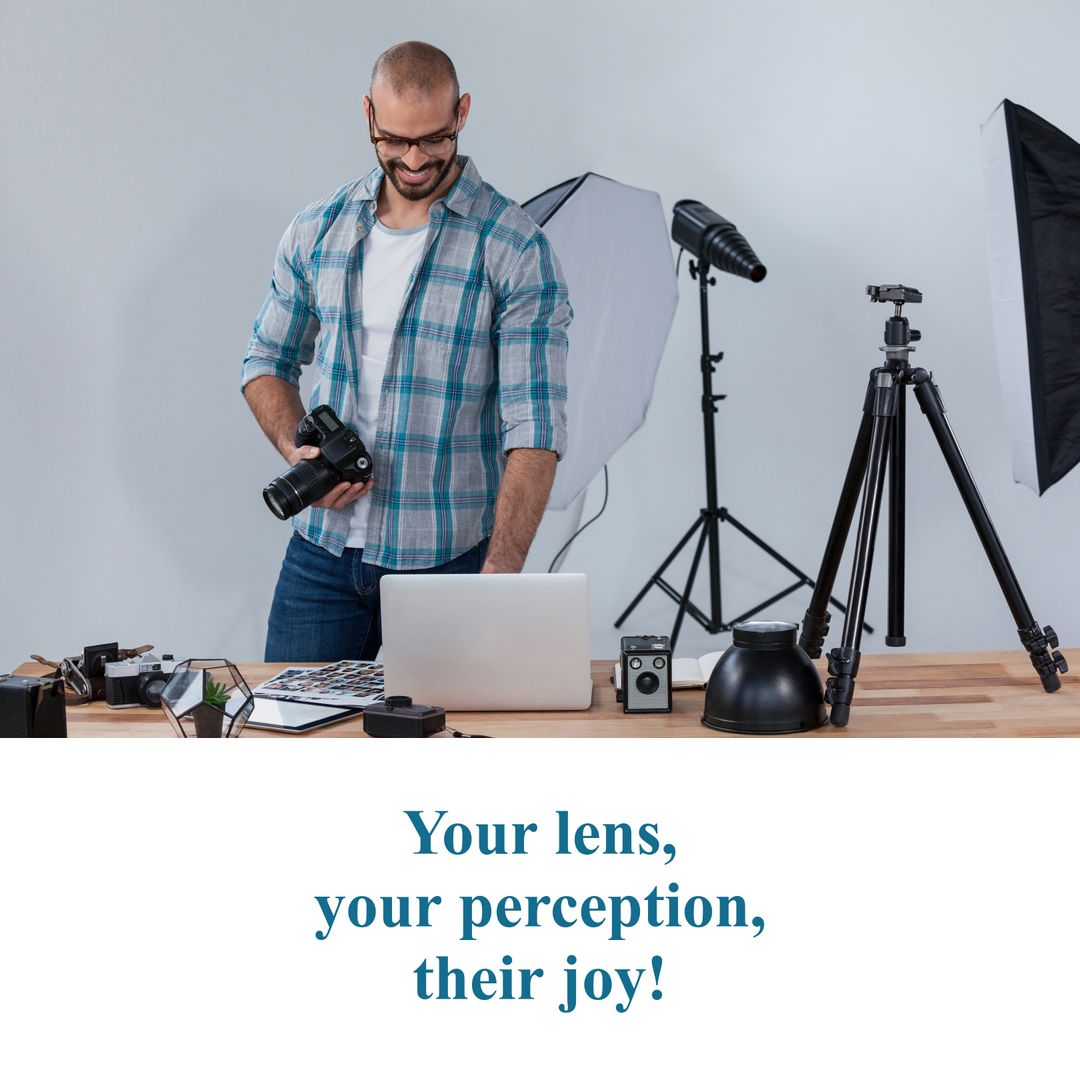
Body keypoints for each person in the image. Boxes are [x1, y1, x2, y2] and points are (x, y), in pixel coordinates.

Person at [242, 41, 571, 663]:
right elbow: (265, 360)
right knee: (292, 749)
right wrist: (297, 449)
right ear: (369, 116)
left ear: (463, 114)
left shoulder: (514, 247)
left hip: (450, 562)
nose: (414, 159)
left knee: (445, 747)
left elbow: (536, 427)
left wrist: (499, 581)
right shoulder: (319, 228)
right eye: (394, 140)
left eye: (433, 139)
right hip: (321, 557)